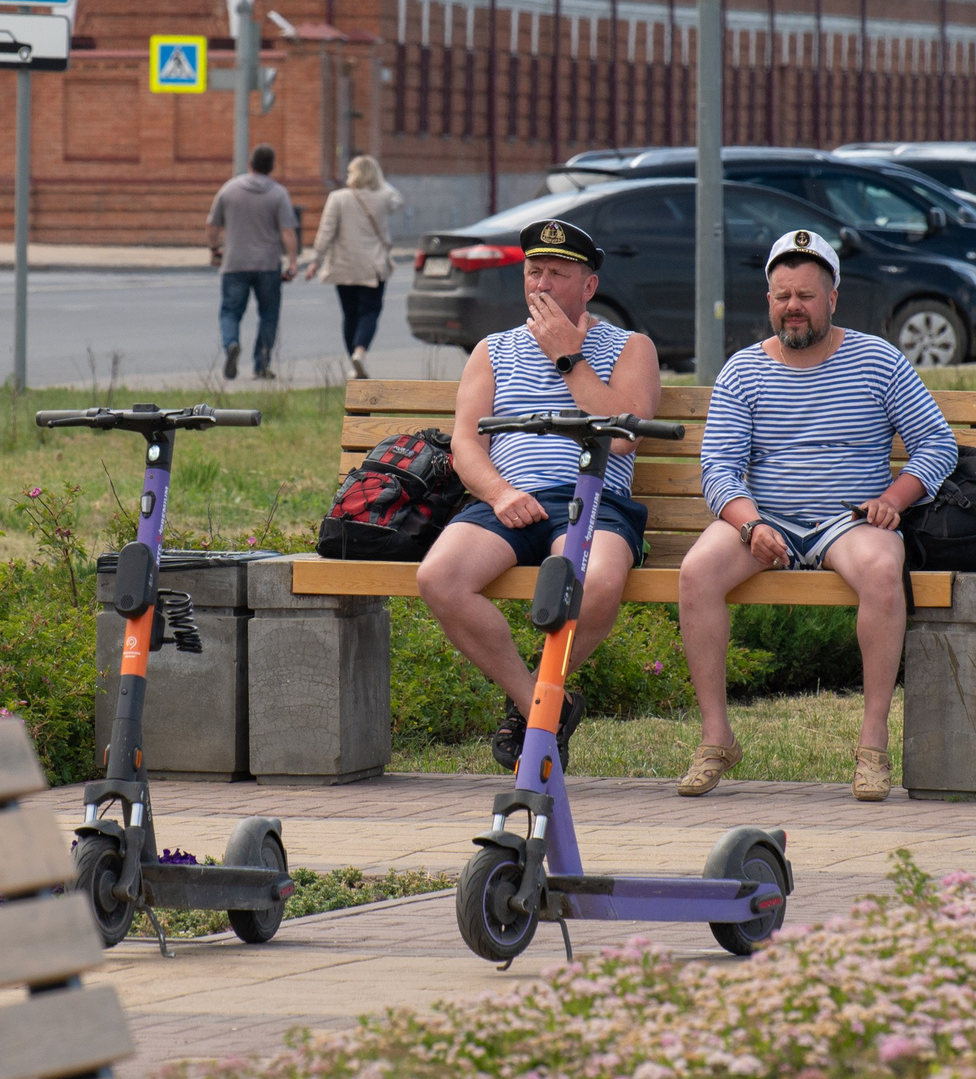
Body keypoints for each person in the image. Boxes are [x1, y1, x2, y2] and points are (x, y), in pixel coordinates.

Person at [675, 228, 957, 803]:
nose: (793, 307)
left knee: (882, 572)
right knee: (697, 572)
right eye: (782, 296)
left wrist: (894, 499)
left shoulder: (877, 360)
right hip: (766, 518)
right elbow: (719, 468)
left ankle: (872, 743)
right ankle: (715, 737)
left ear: (833, 298)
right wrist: (750, 525)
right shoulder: (743, 372)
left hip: (849, 520)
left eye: (805, 295)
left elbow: (937, 444)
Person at [414, 218, 661, 771]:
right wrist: (500, 494)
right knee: (439, 578)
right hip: (510, 503)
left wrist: (568, 358)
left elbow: (622, 437)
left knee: (590, 584)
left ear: (588, 286)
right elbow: (466, 443)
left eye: (557, 273)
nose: (542, 285)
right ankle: (542, 703)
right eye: (533, 273)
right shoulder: (493, 350)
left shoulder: (630, 347)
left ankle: (532, 697)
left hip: (594, 501)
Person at [207, 145, 298, 380]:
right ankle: (262, 364)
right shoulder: (278, 194)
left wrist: (215, 249)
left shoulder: (229, 189)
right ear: (271, 167)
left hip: (234, 263)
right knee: (268, 315)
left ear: (250, 164)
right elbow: (288, 231)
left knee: (230, 311)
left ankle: (231, 345)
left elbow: (213, 224)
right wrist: (293, 262)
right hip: (267, 265)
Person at [310, 156, 404, 380]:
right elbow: (398, 200)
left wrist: (316, 259)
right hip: (373, 266)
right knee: (370, 311)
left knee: (350, 314)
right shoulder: (383, 196)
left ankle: (354, 358)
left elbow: (326, 230)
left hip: (344, 266)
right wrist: (380, 180)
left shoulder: (337, 198)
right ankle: (360, 353)